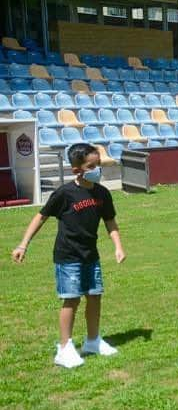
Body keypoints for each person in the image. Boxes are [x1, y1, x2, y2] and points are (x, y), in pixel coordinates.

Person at [11, 143, 127, 368]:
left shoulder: (102, 193)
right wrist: (23, 245)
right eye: (92, 166)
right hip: (68, 256)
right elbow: (40, 217)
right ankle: (64, 348)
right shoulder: (64, 193)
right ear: (77, 170)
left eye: (99, 165)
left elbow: (110, 221)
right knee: (71, 299)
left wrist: (118, 246)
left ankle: (93, 340)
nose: (98, 170)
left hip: (90, 255)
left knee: (95, 295)